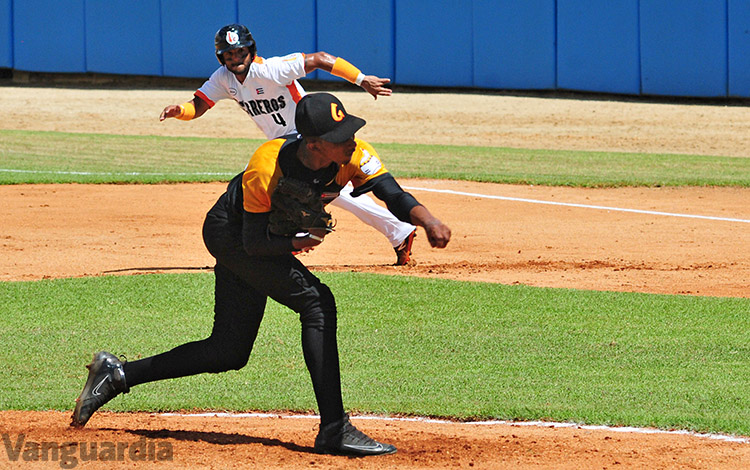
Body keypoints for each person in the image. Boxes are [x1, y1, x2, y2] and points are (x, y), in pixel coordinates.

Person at [71, 92, 451, 456]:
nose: (351, 140)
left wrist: (428, 220)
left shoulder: (355, 154)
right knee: (318, 304)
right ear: (314, 144)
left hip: (260, 240)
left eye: (350, 131)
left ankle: (117, 374)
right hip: (231, 234)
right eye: (340, 137)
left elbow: (392, 193)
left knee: (228, 351)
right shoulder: (267, 166)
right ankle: (334, 428)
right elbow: (253, 244)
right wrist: (296, 244)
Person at [160, 23, 417, 265]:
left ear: (251, 50)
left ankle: (274, 244)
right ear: (221, 58)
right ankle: (399, 231)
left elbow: (319, 59)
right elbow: (200, 104)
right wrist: (179, 110)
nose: (235, 58)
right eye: (229, 54)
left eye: (240, 51)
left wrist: (361, 79)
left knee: (285, 189)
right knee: (334, 191)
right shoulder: (223, 79)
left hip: (307, 136)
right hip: (282, 145)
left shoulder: (272, 69)